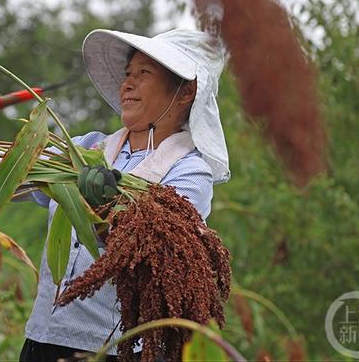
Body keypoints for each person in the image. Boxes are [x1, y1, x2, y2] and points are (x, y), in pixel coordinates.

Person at [18, 28, 231, 362]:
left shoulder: (190, 173)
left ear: (186, 91)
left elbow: (148, 245)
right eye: (128, 74)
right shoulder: (88, 148)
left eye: (144, 73)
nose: (127, 84)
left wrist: (103, 206)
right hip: (42, 340)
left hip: (114, 350)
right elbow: (22, 175)